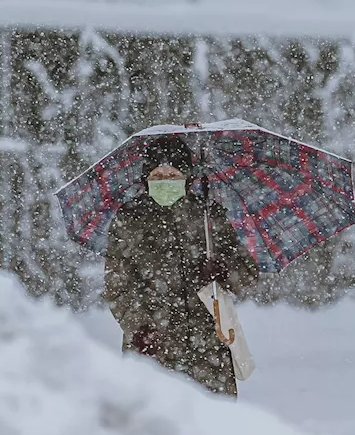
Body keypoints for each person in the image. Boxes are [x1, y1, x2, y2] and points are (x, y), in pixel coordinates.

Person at [103, 137, 259, 398]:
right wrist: (140, 328)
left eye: (173, 173)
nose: (165, 180)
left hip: (209, 353)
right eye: (158, 174)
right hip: (152, 350)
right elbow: (117, 286)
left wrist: (222, 270)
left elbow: (247, 273)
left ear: (186, 177)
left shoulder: (209, 216)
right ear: (146, 177)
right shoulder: (129, 220)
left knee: (213, 430)